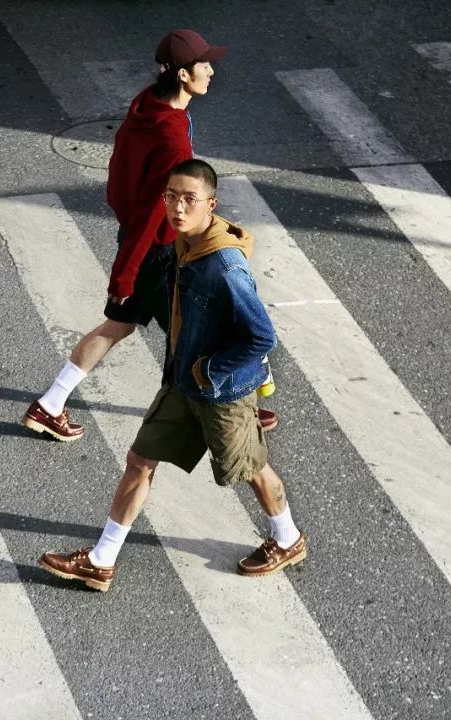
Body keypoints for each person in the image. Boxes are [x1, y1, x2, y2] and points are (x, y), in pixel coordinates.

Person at [38, 159, 305, 591]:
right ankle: (101, 560)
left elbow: (261, 336)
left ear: (211, 204)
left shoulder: (224, 268)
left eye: (189, 199)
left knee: (252, 468)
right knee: (139, 462)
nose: (178, 208)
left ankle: (288, 539)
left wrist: (208, 370)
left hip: (221, 393)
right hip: (183, 385)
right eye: (171, 197)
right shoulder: (186, 243)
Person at [22, 29, 277, 442]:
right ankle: (222, 411)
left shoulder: (148, 104)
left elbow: (123, 175)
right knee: (199, 331)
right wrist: (125, 273)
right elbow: (150, 212)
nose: (212, 71)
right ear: (182, 74)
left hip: (142, 243)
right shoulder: (172, 140)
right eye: (204, 64)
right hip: (158, 250)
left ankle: (50, 405)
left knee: (118, 325)